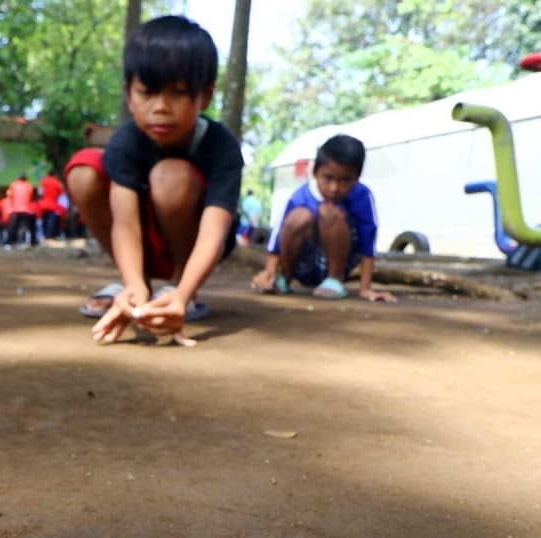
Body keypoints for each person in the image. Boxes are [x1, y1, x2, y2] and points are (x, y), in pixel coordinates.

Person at [65, 15, 243, 345]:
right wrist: (134, 287)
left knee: (170, 176)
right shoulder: (125, 142)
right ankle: (137, 287)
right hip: (145, 241)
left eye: (177, 94)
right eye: (147, 93)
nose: (160, 108)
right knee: (84, 170)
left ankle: (176, 290)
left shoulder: (222, 147)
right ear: (129, 94)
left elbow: (214, 232)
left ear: (204, 97)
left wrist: (184, 292)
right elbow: (126, 224)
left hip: (194, 248)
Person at [251, 134, 395, 302]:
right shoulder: (299, 197)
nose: (334, 188)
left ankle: (334, 280)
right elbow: (276, 239)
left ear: (357, 177)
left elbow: (368, 244)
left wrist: (365, 289)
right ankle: (285, 279)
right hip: (302, 264)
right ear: (315, 172)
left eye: (345, 180)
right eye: (328, 178)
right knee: (299, 217)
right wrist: (271, 273)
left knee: (329, 212)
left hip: (342, 261)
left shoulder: (362, 196)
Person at [6, 174, 36, 247]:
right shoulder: (29, 186)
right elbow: (31, 198)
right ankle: (32, 242)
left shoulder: (13, 185)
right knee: (30, 227)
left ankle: (10, 243)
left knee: (12, 227)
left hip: (15, 210)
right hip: (26, 210)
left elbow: (9, 195)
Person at [39, 170, 65, 239]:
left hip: (43, 204)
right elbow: (61, 192)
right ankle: (49, 236)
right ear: (54, 175)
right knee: (51, 221)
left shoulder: (43, 181)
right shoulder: (57, 182)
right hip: (52, 204)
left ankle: (44, 235)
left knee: (44, 220)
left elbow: (40, 192)